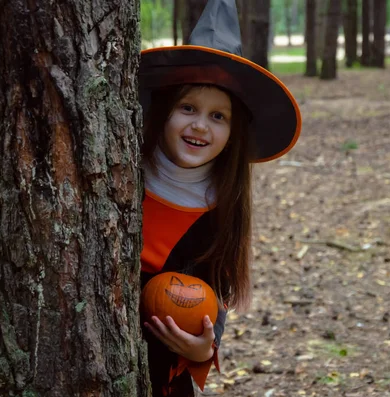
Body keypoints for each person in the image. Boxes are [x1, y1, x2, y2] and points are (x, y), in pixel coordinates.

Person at [138, 0, 302, 395]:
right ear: (164, 111)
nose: (199, 125)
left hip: (159, 375)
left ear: (234, 133)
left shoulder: (220, 207)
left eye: (218, 116)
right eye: (188, 107)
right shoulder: (121, 172)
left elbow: (214, 297)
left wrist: (202, 349)